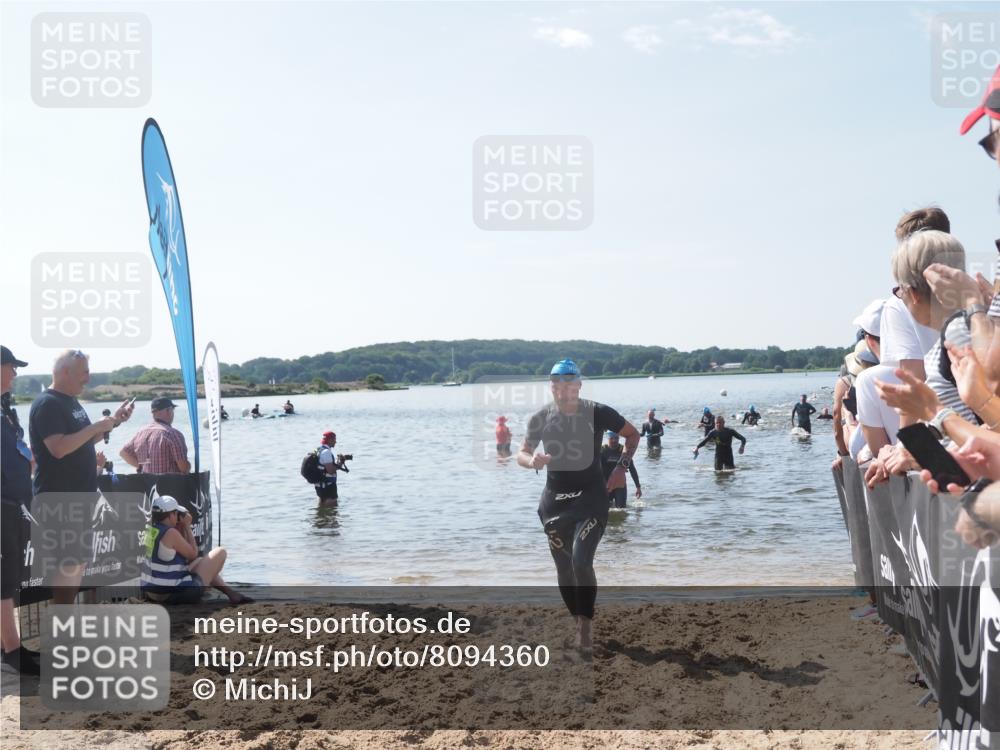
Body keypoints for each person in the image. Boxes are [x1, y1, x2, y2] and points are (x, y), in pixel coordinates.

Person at [517, 359, 639, 652]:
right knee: (564, 569)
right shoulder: (540, 418)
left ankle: (585, 630)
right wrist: (531, 460)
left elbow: (633, 435)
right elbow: (521, 452)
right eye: (557, 383)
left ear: (579, 384)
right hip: (554, 503)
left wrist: (621, 468)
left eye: (569, 382)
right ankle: (577, 621)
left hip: (591, 498)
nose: (563, 388)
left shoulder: (597, 412)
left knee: (581, 562)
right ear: (552, 386)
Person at [29, 350, 134, 604]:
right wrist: (97, 426)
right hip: (60, 501)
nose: (88, 377)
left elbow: (82, 440)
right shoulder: (48, 404)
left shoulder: (71, 402)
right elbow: (59, 448)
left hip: (79, 499)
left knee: (77, 566)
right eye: (84, 372)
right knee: (69, 567)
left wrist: (113, 423)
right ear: (66, 372)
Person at [0, 346, 39, 676]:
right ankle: (11, 651)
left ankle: (8, 647)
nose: (15, 373)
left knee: (8, 577)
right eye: (11, 367)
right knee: (4, 579)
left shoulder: (5, 409)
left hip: (13, 504)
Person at [140, 495, 250, 605]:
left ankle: (231, 594)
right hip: (173, 595)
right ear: (171, 515)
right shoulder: (170, 533)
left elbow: (183, 558)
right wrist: (187, 526)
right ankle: (220, 591)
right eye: (176, 513)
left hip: (151, 593)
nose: (178, 516)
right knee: (220, 552)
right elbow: (192, 554)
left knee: (200, 562)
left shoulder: (150, 530)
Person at [119, 397, 190, 474]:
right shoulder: (173, 434)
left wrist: (142, 466)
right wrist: (189, 466)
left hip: (147, 484)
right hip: (169, 484)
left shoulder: (141, 432)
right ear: (168, 410)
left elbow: (123, 453)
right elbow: (184, 468)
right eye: (172, 410)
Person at [601, 431, 641, 508]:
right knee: (604, 509)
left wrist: (638, 487)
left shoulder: (623, 451)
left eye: (616, 438)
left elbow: (632, 469)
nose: (614, 440)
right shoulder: (602, 450)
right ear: (608, 439)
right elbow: (594, 469)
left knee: (621, 510)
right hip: (606, 485)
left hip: (620, 485)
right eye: (611, 438)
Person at [315, 431, 349, 504]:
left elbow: (324, 467)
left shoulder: (319, 450)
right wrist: (340, 464)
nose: (335, 442)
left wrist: (338, 463)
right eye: (334, 439)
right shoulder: (326, 452)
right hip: (328, 486)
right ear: (330, 440)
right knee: (332, 509)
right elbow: (330, 470)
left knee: (323, 507)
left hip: (320, 485)